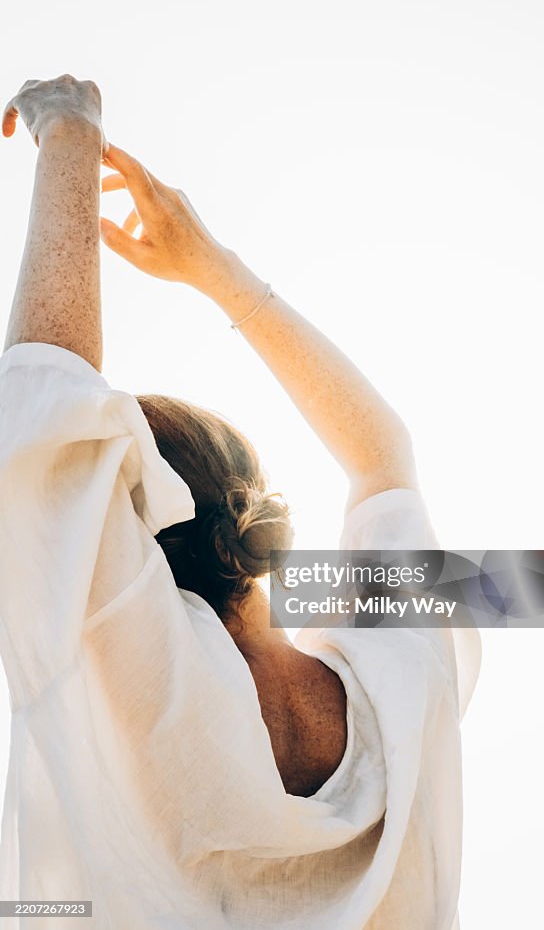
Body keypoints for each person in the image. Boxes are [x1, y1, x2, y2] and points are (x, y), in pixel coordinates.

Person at [0, 75, 481, 929]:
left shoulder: (126, 652)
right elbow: (381, 458)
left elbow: (46, 407)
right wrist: (212, 268)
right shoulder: (406, 687)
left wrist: (69, 139)